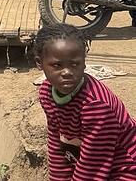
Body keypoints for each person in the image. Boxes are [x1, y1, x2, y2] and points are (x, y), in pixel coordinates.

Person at [34, 24, 136, 180]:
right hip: (89, 158)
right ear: (39, 63)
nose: (67, 72)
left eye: (74, 64)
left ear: (84, 62)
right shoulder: (46, 93)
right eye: (57, 65)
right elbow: (56, 143)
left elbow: (93, 165)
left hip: (125, 166)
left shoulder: (95, 106)